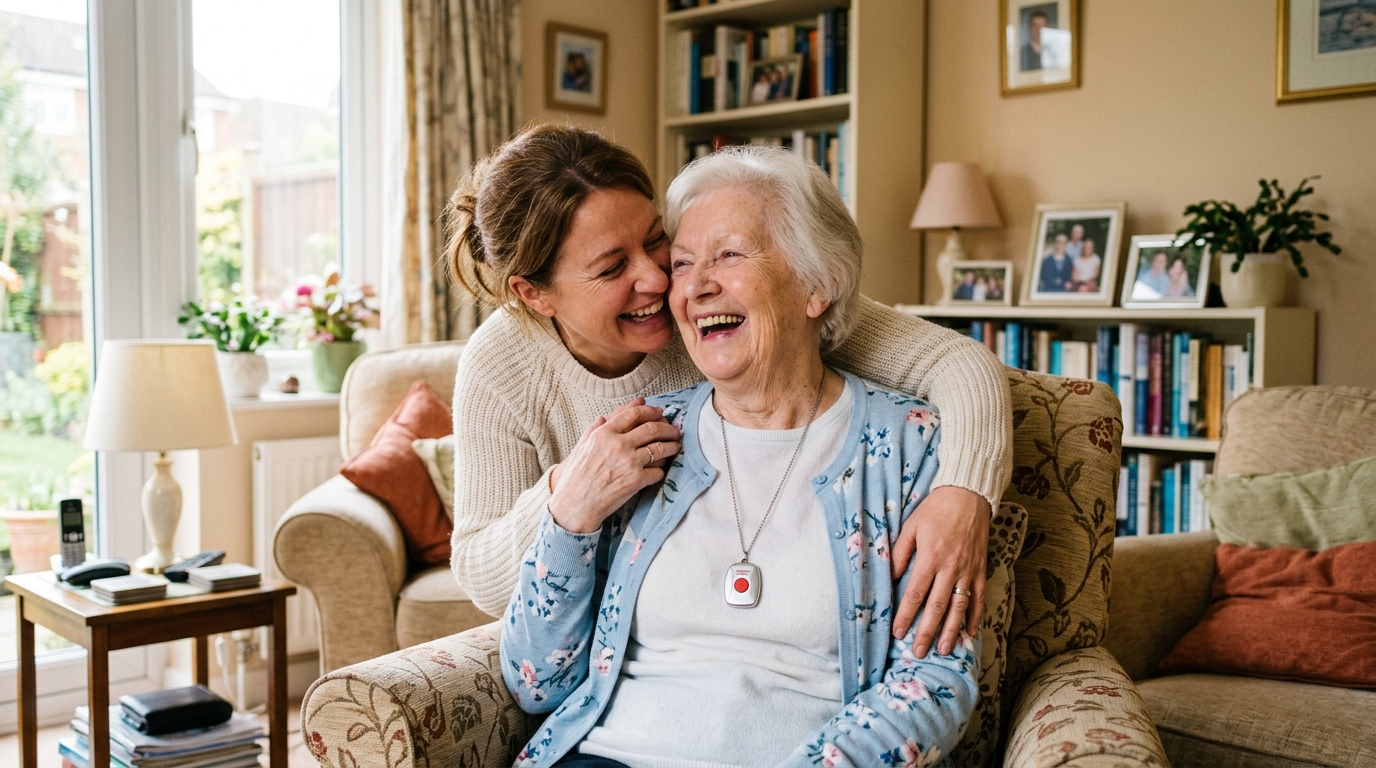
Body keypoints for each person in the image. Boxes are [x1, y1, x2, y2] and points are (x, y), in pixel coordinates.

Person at [444, 125, 1011, 665]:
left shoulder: (741, 312)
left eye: (657, 241)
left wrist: (964, 494)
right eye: (614, 267)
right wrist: (571, 491)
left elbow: (958, 363)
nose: (664, 280)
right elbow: (480, 572)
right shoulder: (501, 368)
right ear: (534, 295)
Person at [500, 147, 978, 767]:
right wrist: (568, 521)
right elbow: (535, 680)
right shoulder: (640, 437)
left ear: (817, 284)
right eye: (683, 263)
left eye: (728, 255)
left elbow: (938, 682)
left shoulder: (909, 447)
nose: (694, 286)